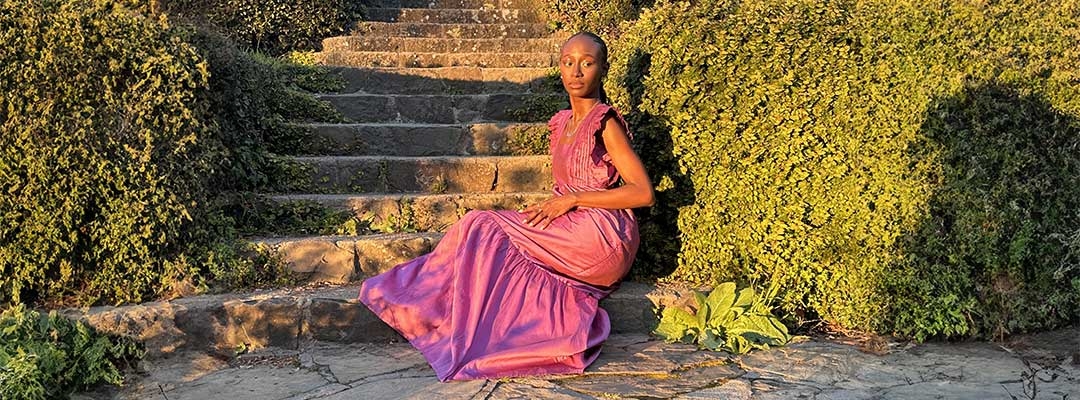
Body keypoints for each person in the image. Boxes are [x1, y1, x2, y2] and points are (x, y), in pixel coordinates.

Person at [358, 31, 655, 381]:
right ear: (559, 68)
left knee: (482, 224)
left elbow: (643, 193)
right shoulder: (563, 123)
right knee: (481, 227)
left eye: (587, 63)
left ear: (602, 70)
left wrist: (573, 199)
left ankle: (426, 310)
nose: (576, 71)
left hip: (603, 235)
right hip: (576, 226)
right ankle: (436, 313)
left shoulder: (604, 122)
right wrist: (561, 204)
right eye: (568, 62)